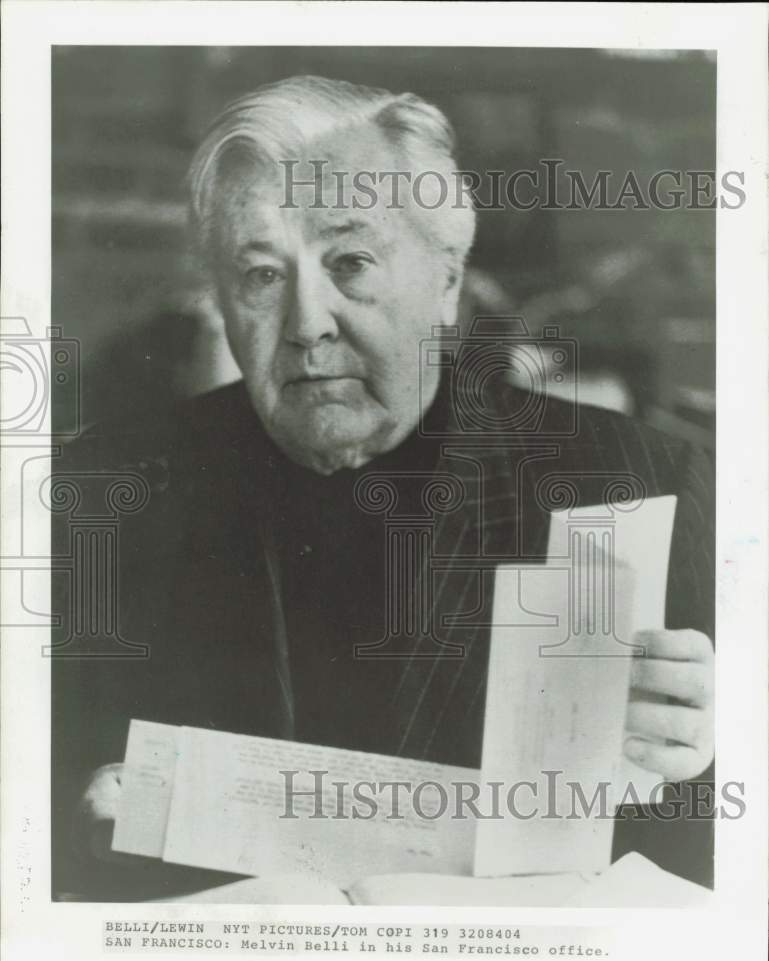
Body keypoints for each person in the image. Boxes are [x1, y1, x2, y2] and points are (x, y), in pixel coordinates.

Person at [52, 76, 715, 899]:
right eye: (260, 275)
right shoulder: (101, 493)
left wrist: (713, 742)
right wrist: (72, 812)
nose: (307, 323)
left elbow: (709, 850)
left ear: (445, 281)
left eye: (351, 262)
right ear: (220, 300)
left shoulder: (630, 480)